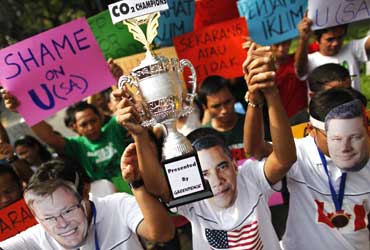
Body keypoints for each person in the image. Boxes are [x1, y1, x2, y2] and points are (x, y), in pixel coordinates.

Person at [116, 43, 296, 249]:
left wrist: (271, 93)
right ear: (191, 175)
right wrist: (139, 134)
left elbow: (284, 159)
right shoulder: (193, 197)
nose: (217, 180)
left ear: (235, 164)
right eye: (204, 173)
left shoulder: (250, 178)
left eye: (222, 166)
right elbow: (159, 189)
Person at [244, 86, 370, 249]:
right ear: (311, 130)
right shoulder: (297, 152)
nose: (346, 146)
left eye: (354, 135)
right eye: (336, 137)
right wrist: (255, 103)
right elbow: (255, 149)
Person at [0, 159, 175, 249]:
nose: (61, 223)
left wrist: (137, 185)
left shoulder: (116, 205)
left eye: (68, 210)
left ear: (85, 190)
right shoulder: (37, 236)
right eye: (49, 217)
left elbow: (163, 233)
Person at [2, 95, 132, 194]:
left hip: (134, 183)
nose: (91, 127)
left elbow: (127, 110)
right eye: (84, 124)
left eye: (94, 120)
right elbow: (49, 137)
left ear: (101, 118)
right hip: (105, 194)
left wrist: (118, 78)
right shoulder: (76, 145)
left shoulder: (114, 128)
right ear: (74, 127)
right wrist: (23, 109)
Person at [295, 12, 370, 90]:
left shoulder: (352, 50)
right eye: (330, 39)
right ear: (317, 40)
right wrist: (303, 39)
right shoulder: (311, 60)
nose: (335, 43)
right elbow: (300, 68)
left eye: (340, 37)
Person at [198, 75, 246, 161]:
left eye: (227, 102)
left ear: (234, 98)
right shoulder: (204, 137)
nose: (224, 110)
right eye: (216, 106)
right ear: (205, 107)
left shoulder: (252, 124)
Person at [270, 39, 308, 125]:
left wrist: (303, 38)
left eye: (284, 44)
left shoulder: (298, 59)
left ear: (290, 43)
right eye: (276, 45)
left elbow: (300, 66)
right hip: (283, 118)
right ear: (270, 46)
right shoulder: (267, 67)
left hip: (304, 113)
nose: (281, 48)